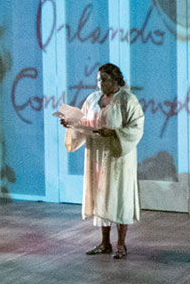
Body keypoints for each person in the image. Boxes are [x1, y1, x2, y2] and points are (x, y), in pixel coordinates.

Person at [59, 63, 144, 258]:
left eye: (104, 80)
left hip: (118, 157)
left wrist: (114, 133)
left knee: (120, 196)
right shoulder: (92, 99)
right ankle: (105, 242)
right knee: (100, 195)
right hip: (97, 154)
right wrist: (71, 123)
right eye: (98, 80)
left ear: (115, 80)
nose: (100, 84)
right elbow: (84, 123)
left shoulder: (127, 100)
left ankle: (121, 244)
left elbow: (136, 127)